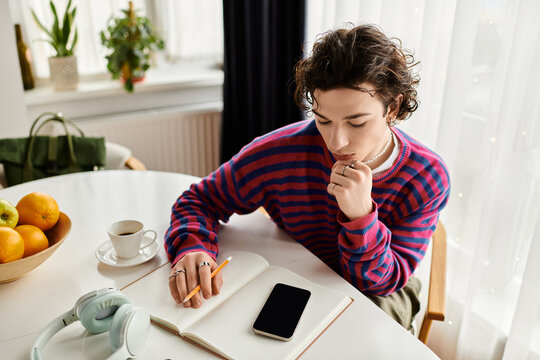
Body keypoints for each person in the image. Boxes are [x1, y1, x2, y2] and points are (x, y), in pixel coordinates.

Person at [165, 24, 450, 332]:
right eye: (323, 120)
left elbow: (383, 282)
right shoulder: (278, 153)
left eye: (356, 122)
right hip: (300, 277)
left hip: (378, 291)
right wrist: (192, 246)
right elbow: (199, 199)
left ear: (392, 107)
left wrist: (361, 218)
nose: (337, 142)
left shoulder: (426, 176)